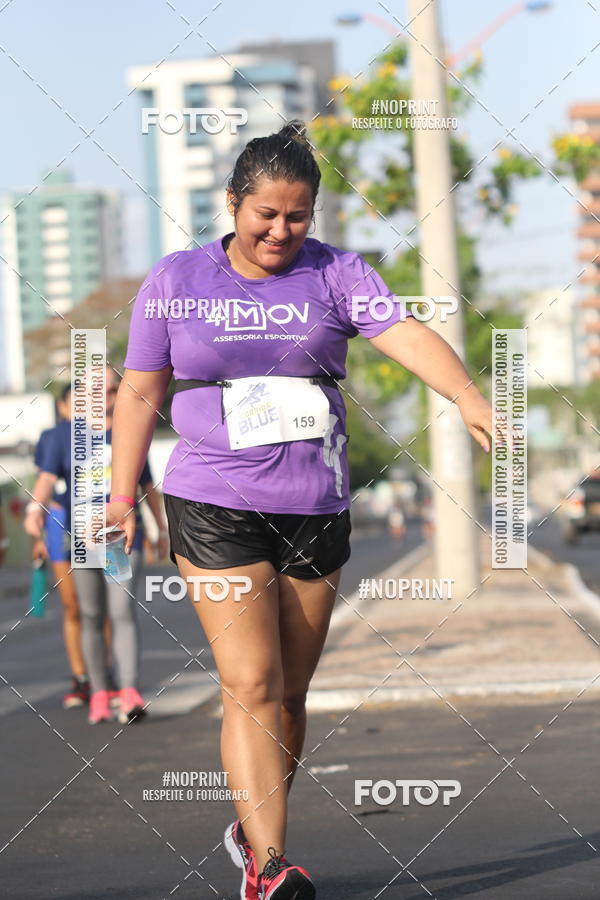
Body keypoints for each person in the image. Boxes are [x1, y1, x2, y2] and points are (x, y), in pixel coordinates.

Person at [107, 120, 493, 900]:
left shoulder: (337, 274)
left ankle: (253, 828)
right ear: (233, 204)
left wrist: (467, 393)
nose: (281, 231)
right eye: (266, 215)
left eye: (298, 216)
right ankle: (271, 864)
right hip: (213, 499)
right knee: (250, 681)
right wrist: (121, 495)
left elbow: (406, 334)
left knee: (288, 694)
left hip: (314, 500)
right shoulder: (177, 279)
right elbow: (142, 389)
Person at [26, 368, 169, 725]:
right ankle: (100, 693)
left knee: (122, 613)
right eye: (98, 390)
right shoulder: (62, 436)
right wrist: (34, 510)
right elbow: (45, 480)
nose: (106, 395)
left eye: (113, 388)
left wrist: (161, 529)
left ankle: (130, 692)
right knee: (91, 615)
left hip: (119, 540)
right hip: (80, 539)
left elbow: (147, 484)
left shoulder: (130, 431)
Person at [24, 383, 108, 708]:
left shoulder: (107, 433)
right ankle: (81, 677)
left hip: (102, 525)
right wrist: (37, 526)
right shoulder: (54, 437)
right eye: (76, 401)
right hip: (62, 525)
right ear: (62, 407)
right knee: (75, 606)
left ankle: (106, 673)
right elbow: (43, 480)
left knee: (102, 608)